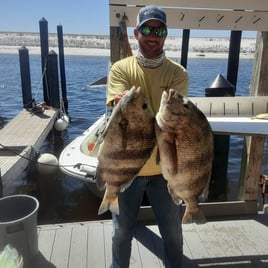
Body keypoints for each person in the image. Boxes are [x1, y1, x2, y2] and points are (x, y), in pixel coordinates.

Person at [107, 5, 189, 268]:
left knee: (173, 235)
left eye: (159, 30)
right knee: (121, 234)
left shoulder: (177, 73)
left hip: (165, 171)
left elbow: (175, 121)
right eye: (147, 29)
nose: (152, 35)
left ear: (165, 34)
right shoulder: (120, 68)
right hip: (126, 170)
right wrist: (123, 102)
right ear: (136, 32)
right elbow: (119, 111)